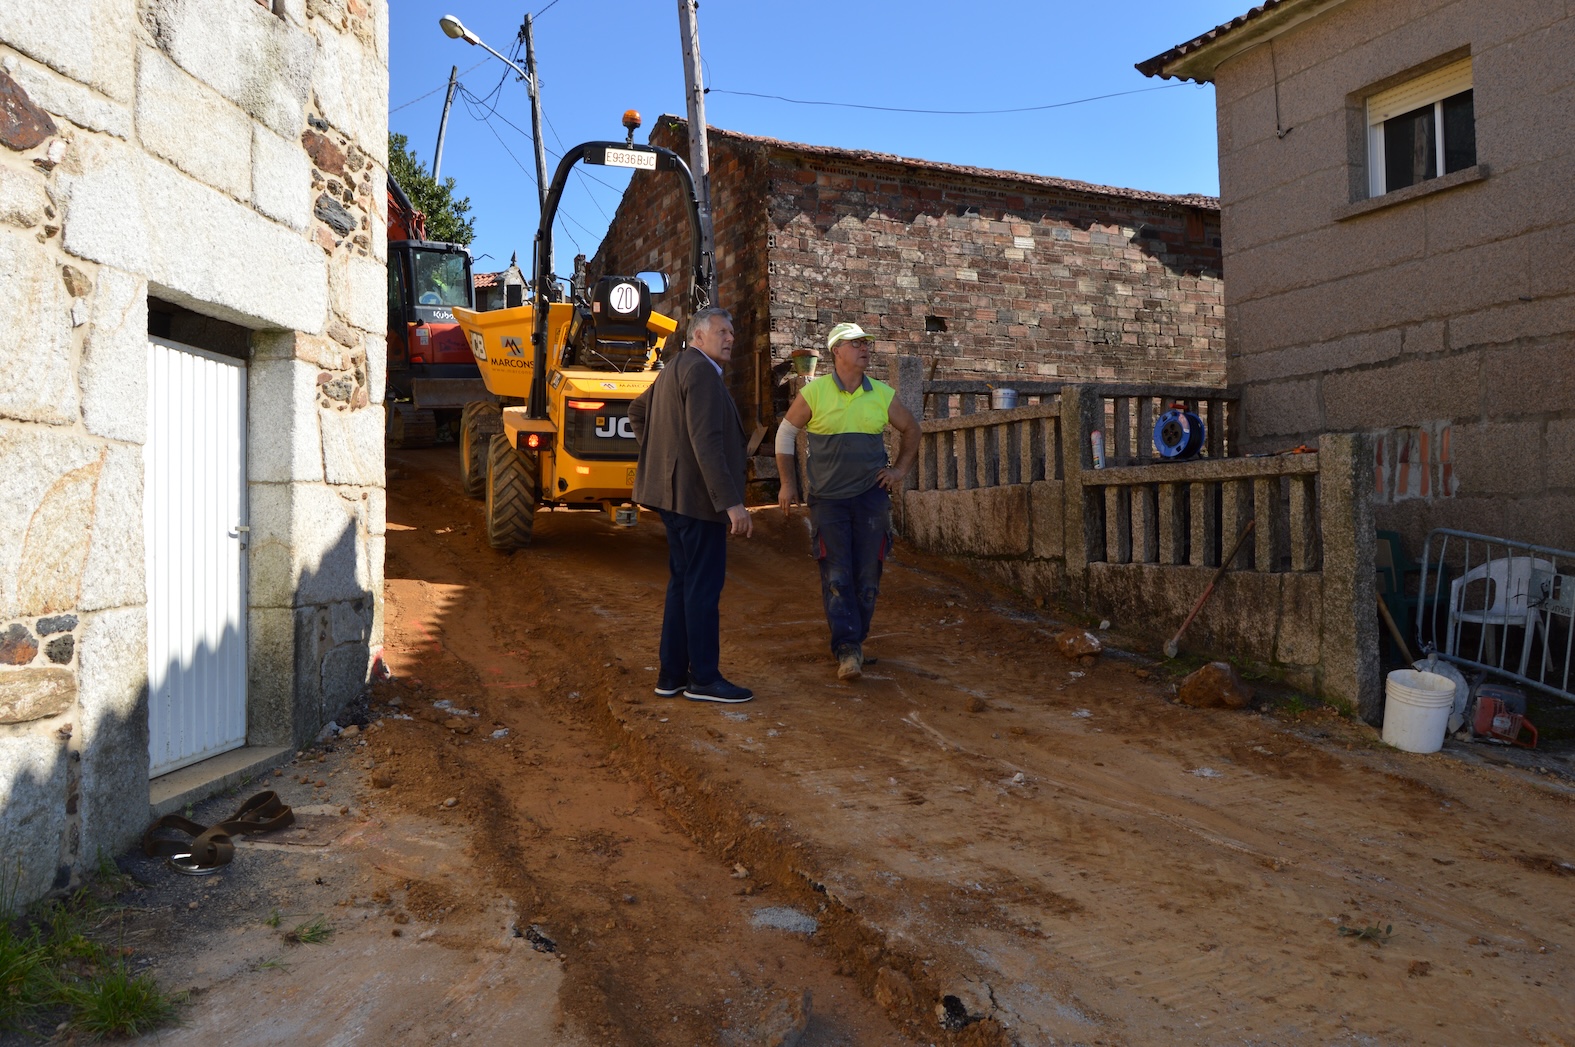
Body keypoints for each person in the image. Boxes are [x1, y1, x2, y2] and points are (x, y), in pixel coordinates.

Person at [775, 322, 920, 681]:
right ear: (836, 351)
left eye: (866, 344)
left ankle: (855, 640)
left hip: (870, 499)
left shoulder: (882, 394)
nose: (864, 349)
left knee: (868, 576)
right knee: (837, 575)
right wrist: (786, 484)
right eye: (855, 344)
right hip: (828, 501)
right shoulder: (816, 392)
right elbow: (786, 432)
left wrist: (899, 470)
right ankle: (848, 649)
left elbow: (912, 429)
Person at [627, 307, 754, 703]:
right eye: (722, 331)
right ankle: (703, 678)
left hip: (675, 498)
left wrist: (666, 459)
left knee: (683, 585)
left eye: (732, 331)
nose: (731, 338)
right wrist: (731, 503)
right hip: (699, 502)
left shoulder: (675, 367)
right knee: (700, 589)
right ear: (698, 336)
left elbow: (637, 412)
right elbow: (707, 444)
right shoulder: (699, 372)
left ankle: (671, 676)